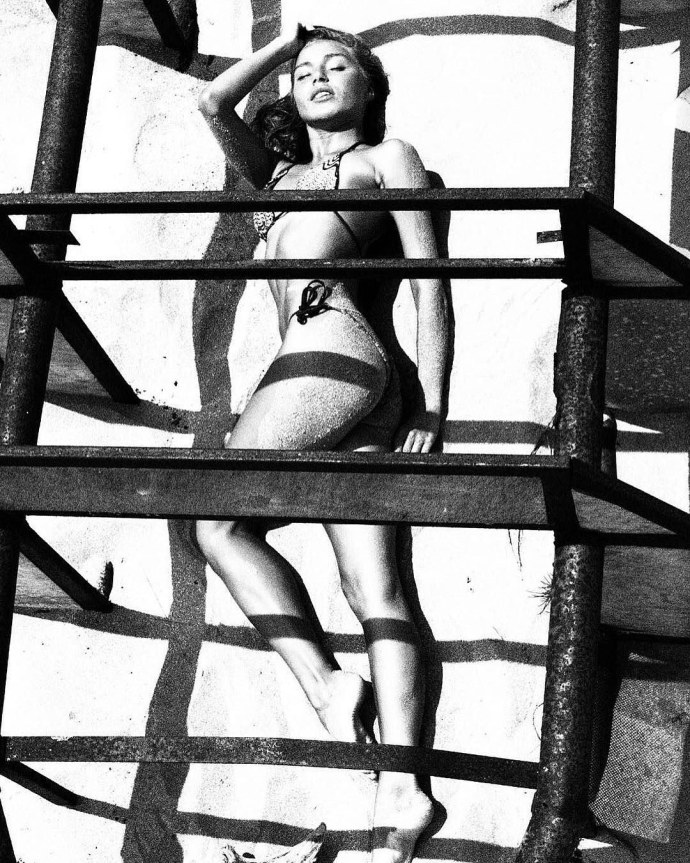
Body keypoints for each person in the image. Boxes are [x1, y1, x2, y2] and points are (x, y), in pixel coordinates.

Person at [196, 22, 448, 863]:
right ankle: (405, 791)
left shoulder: (386, 159)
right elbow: (212, 101)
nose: (317, 76)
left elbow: (430, 276)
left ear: (370, 89)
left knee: (215, 522)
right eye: (305, 70)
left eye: (339, 65)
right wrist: (284, 46)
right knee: (376, 589)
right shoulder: (275, 176)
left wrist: (434, 400)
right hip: (332, 373)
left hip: (332, 354)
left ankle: (328, 685)